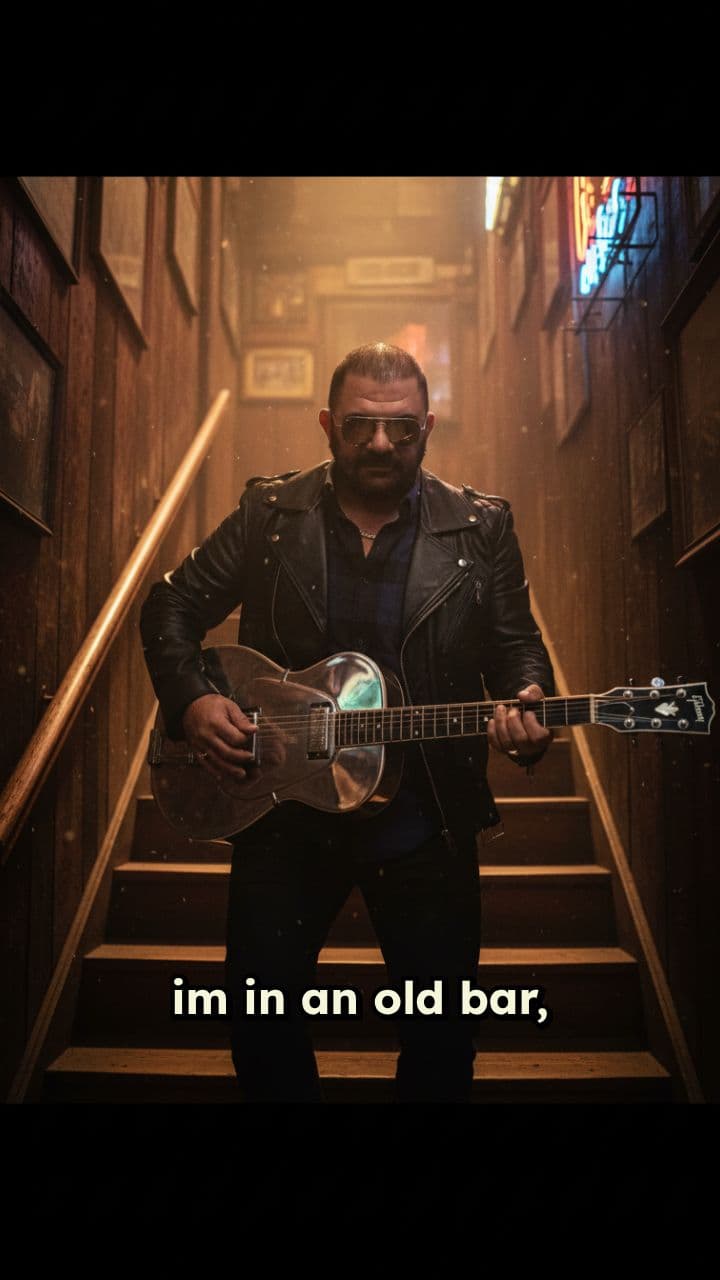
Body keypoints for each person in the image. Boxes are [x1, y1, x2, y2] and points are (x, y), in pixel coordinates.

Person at [140, 342, 555, 1103]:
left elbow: (516, 645)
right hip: (285, 814)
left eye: (401, 428)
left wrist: (529, 700)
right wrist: (193, 698)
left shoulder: (480, 527)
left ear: (428, 425)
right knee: (262, 1028)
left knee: (440, 1036)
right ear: (329, 424)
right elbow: (170, 603)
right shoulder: (271, 512)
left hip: (425, 818)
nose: (380, 443)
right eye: (361, 424)